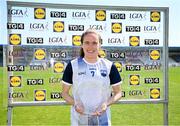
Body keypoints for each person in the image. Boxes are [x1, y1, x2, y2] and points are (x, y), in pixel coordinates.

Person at [61, 29, 122, 126]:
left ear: (100, 45)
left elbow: (118, 93)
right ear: (82, 45)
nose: (90, 46)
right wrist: (75, 103)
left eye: (94, 43)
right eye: (87, 43)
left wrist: (106, 104)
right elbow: (64, 93)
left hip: (103, 119)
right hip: (79, 119)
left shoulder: (109, 66)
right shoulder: (73, 65)